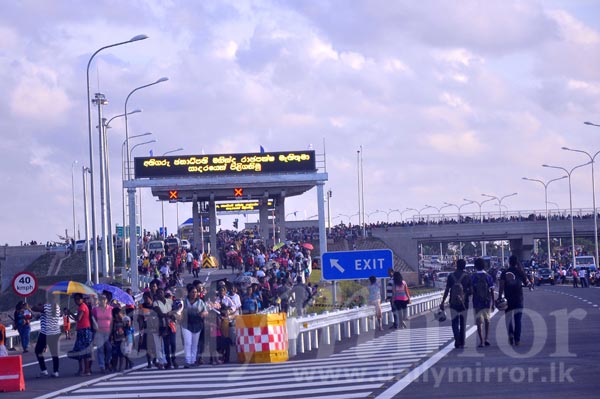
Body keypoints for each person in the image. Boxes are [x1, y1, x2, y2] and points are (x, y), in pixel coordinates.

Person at [440, 259, 471, 348]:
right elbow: (471, 291)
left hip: (453, 303)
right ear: (464, 266)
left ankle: (457, 340)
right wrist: (465, 294)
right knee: (463, 322)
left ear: (456, 265)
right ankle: (462, 341)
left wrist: (443, 301)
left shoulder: (451, 276)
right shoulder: (467, 276)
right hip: (464, 303)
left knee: (454, 322)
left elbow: (447, 290)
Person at [498, 255, 528, 346]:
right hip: (518, 299)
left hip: (508, 299)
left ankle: (510, 334)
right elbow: (526, 282)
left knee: (508, 318)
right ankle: (517, 340)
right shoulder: (520, 272)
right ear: (516, 262)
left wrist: (499, 296)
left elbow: (501, 286)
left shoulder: (504, 272)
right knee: (518, 320)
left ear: (509, 262)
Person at [31, 294, 62, 378]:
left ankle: (44, 370)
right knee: (54, 353)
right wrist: (41, 314)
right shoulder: (57, 307)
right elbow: (46, 315)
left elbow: (34, 308)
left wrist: (39, 305)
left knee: (38, 350)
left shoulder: (47, 307)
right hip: (55, 333)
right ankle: (56, 371)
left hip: (46, 333)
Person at [181, 284, 208, 368]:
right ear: (188, 293)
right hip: (186, 324)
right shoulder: (184, 301)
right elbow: (179, 310)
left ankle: (193, 361)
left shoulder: (200, 302)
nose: (194, 294)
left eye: (196, 292)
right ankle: (187, 361)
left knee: (194, 344)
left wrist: (203, 313)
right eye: (192, 292)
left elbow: (206, 311)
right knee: (188, 342)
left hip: (197, 324)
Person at [470, 258, 495, 347]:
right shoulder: (488, 276)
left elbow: (471, 290)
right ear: (484, 266)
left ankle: (481, 341)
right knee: (487, 320)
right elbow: (492, 290)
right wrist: (493, 302)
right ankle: (486, 338)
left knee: (479, 322)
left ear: (475, 266)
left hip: (477, 302)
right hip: (487, 301)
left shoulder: (473, 277)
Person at [70, 293, 93, 376]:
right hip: (82, 330)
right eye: (75, 299)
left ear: (82, 299)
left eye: (78, 299)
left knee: (84, 351)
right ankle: (82, 369)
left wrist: (70, 313)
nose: (76, 301)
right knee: (80, 351)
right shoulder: (81, 306)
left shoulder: (82, 306)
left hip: (84, 330)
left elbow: (78, 318)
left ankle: (85, 370)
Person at [92, 294, 113, 373]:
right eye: (101, 300)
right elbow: (93, 319)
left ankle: (107, 362)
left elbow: (113, 320)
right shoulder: (95, 309)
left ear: (106, 300)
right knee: (100, 350)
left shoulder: (111, 309)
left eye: (104, 299)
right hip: (99, 332)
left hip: (108, 332)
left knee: (109, 348)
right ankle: (102, 366)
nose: (102, 301)